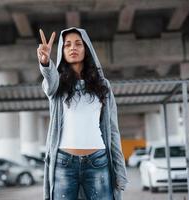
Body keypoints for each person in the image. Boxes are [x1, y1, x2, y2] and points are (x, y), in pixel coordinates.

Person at [36, 27, 128, 200]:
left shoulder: (103, 85)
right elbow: (49, 84)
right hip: (64, 163)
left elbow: (113, 130)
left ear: (86, 49)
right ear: (62, 50)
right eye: (67, 45)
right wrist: (46, 63)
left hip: (98, 161)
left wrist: (119, 168)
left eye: (78, 44)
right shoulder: (57, 84)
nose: (73, 48)